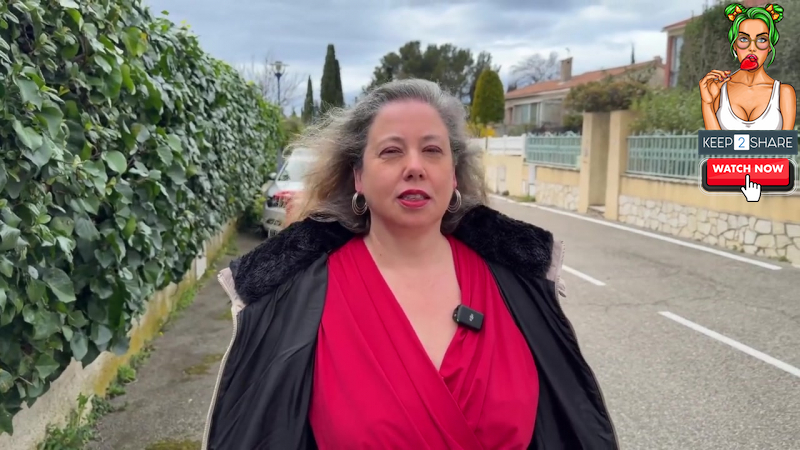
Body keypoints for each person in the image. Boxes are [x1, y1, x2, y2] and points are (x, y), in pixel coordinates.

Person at [202, 79, 618, 450]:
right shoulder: (296, 295)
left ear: (453, 174)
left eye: (432, 150)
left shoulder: (518, 283)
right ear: (358, 177)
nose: (415, 167)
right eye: (391, 151)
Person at [700, 3, 796, 130]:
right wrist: (707, 103)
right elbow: (714, 141)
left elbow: (785, 142)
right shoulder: (719, 90)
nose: (752, 48)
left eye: (761, 40)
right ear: (734, 45)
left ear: (769, 46)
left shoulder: (784, 93)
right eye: (744, 39)